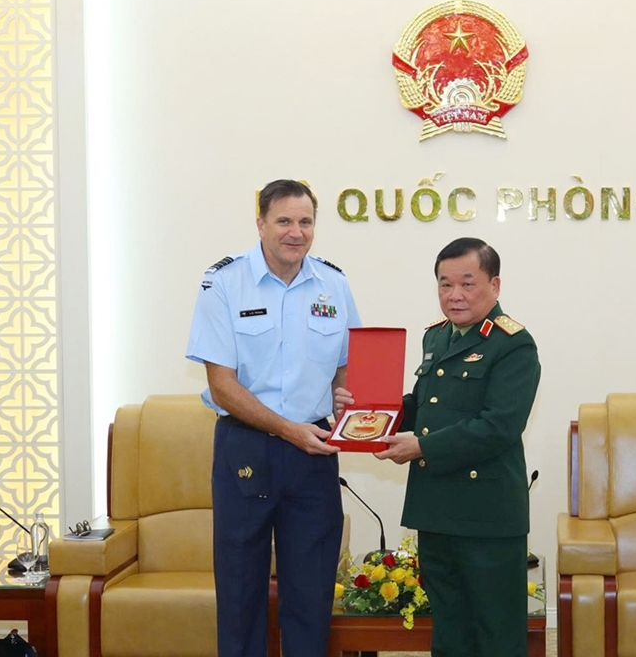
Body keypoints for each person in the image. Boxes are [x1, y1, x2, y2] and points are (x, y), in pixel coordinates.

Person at [337, 237, 541, 657]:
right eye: (445, 284)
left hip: (487, 516)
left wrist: (422, 447)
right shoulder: (437, 338)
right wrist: (370, 413)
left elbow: (499, 426)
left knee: (496, 635)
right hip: (436, 510)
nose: (455, 295)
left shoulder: (513, 344)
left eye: (467, 283)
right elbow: (424, 407)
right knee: (449, 633)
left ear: (495, 285)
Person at [186, 179, 361, 657]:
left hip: (315, 453)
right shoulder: (224, 283)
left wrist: (351, 406)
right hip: (246, 448)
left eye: (305, 222)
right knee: (240, 592)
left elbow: (348, 367)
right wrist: (287, 430)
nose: (295, 232)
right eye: (284, 220)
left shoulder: (334, 283)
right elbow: (222, 385)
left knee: (312, 592)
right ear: (261, 223)